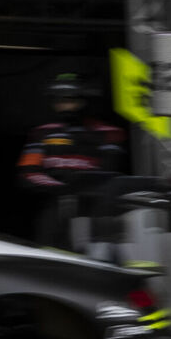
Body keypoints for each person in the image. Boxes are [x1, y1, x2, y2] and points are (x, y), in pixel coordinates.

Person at [15, 69, 128, 250]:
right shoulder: (41, 133)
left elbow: (110, 172)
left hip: (96, 210)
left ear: (84, 101)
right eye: (59, 101)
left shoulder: (108, 133)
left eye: (71, 100)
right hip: (54, 208)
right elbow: (28, 173)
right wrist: (61, 188)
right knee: (52, 258)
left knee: (100, 256)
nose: (65, 106)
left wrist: (76, 185)